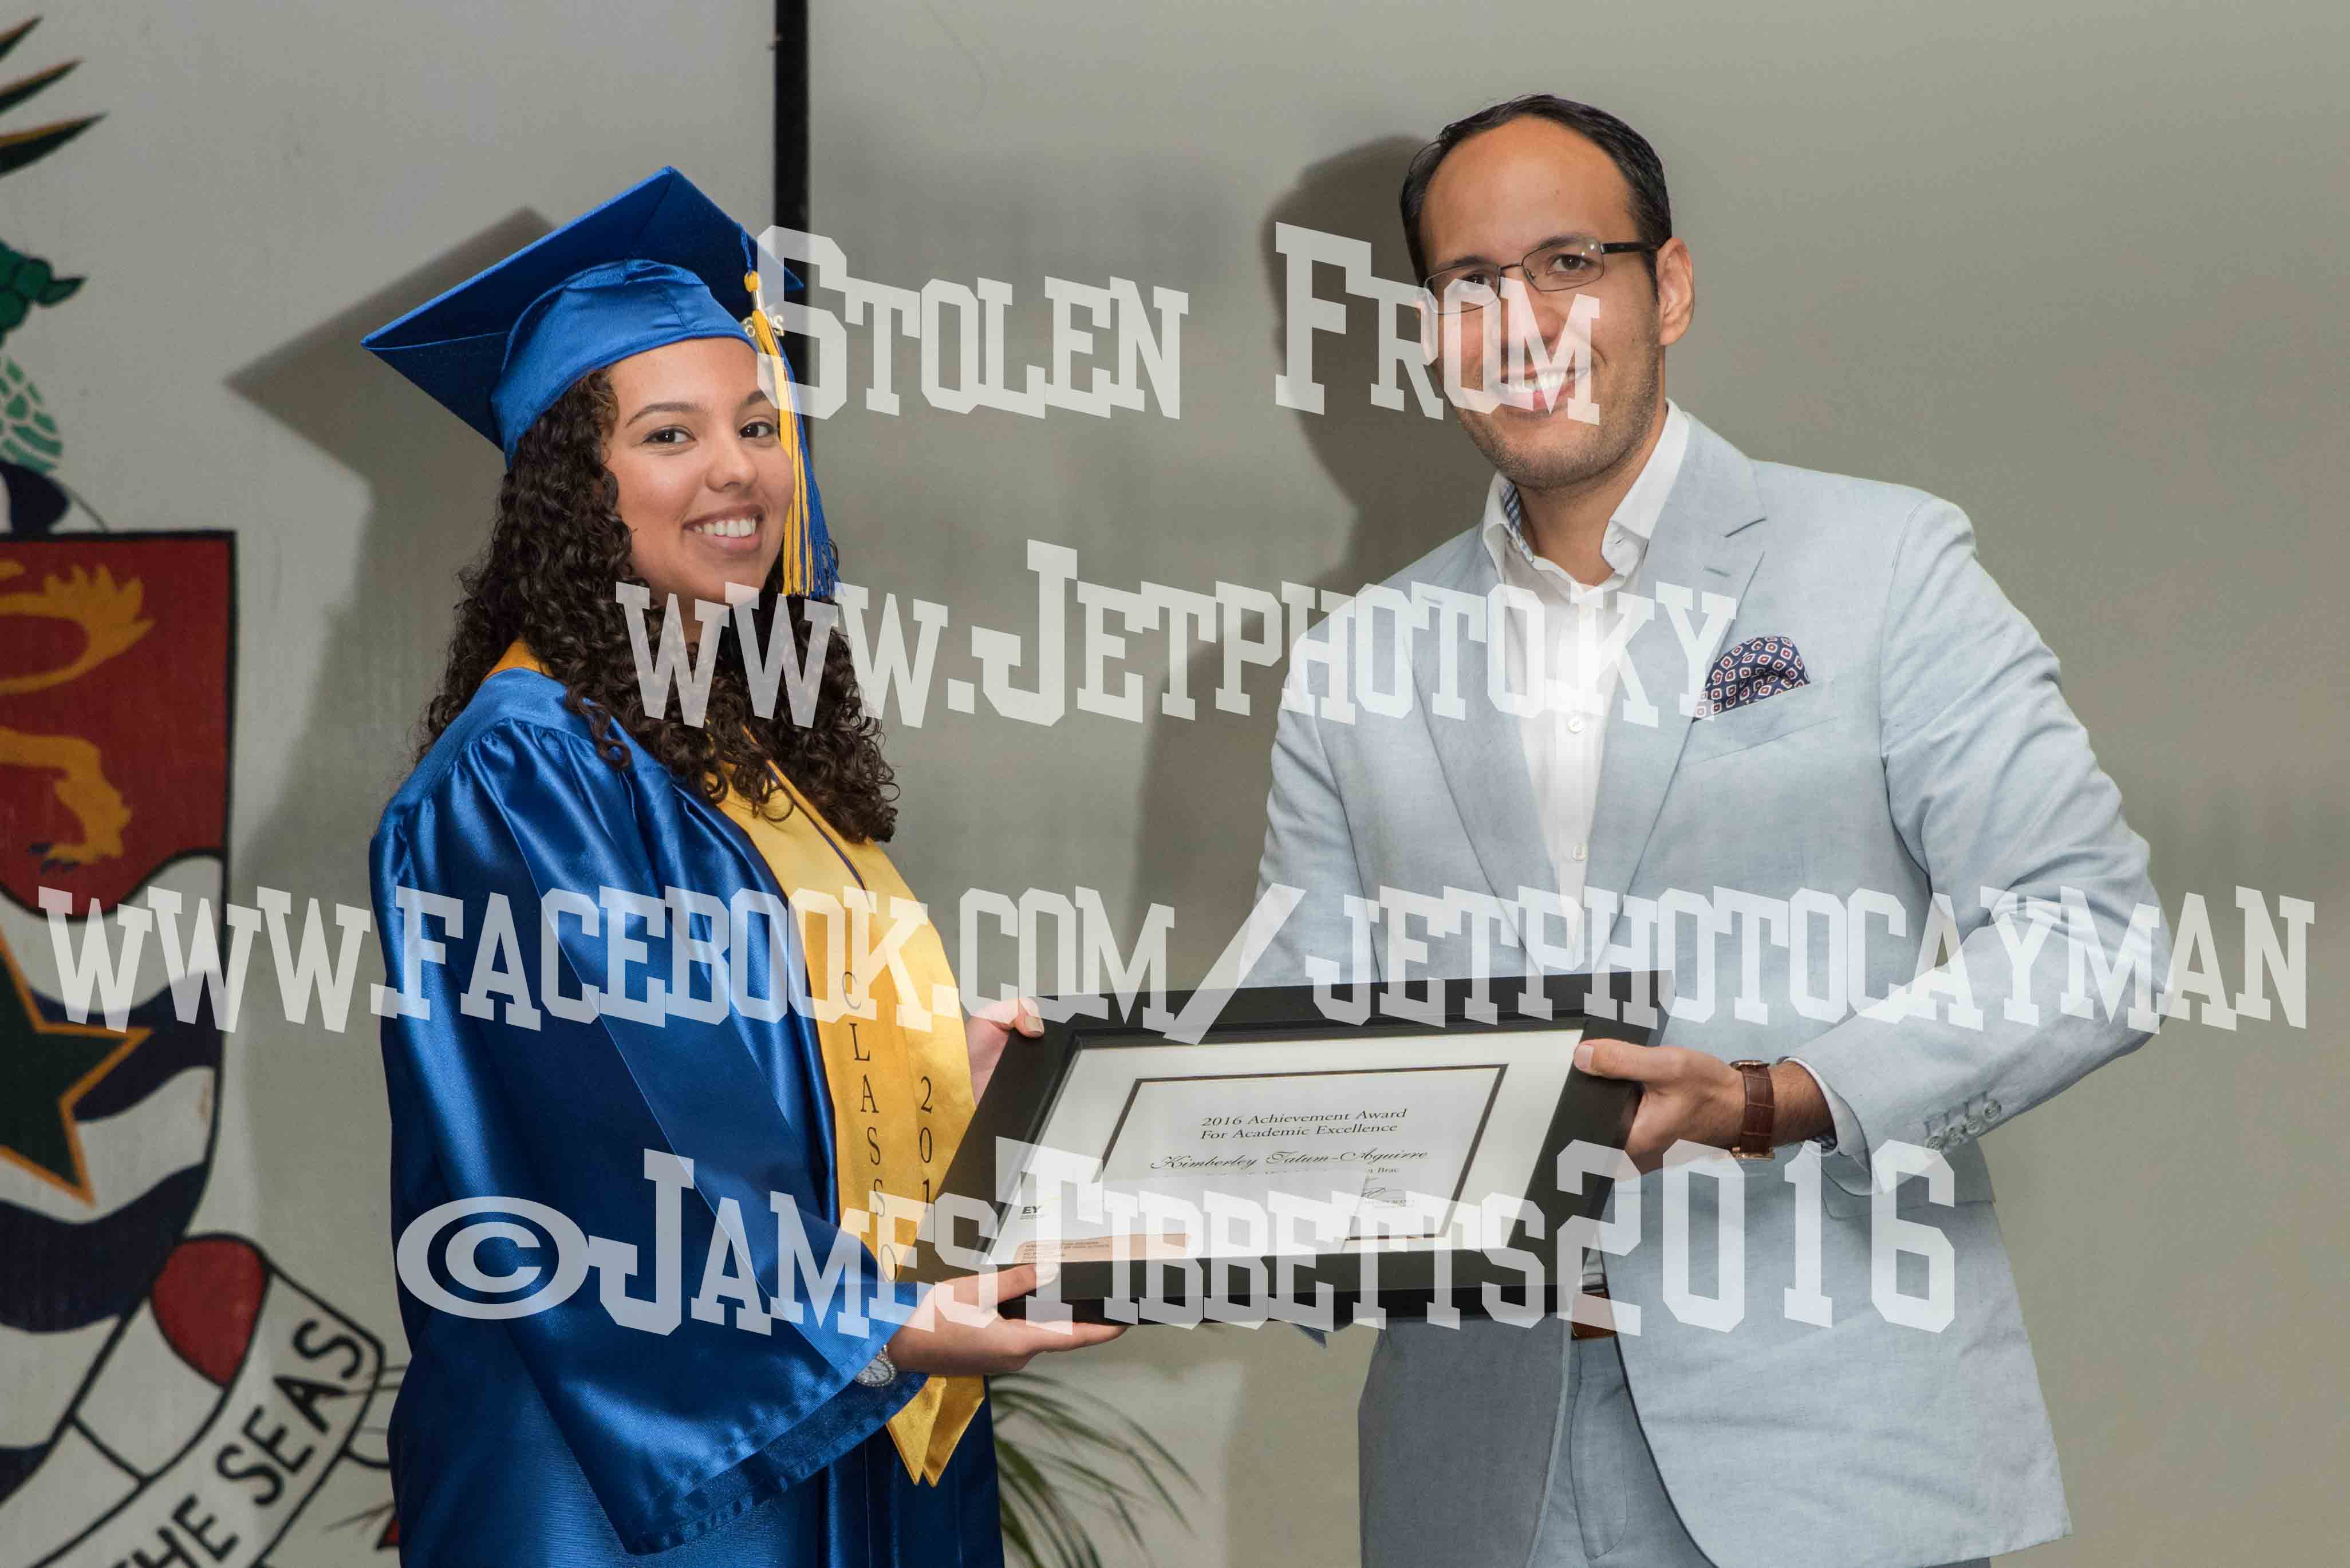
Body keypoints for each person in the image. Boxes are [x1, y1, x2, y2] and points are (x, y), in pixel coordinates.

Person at [1251, 98, 2168, 1568]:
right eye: (1472, 281)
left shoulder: (1885, 564)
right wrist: (1082, 1149)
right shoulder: (1355, 659)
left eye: (1570, 262)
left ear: (1667, 287)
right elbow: (1298, 1043)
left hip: (1831, 1444)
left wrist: (1770, 1095)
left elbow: (2091, 940)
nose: (1522, 321)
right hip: (1476, 1467)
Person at [362, 167, 1121, 1566]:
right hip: (636, 1464)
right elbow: (623, 1121)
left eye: (760, 425)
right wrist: (876, 1321)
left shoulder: (742, 754)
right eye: (671, 433)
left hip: (835, 1400)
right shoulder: (526, 765)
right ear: (572, 492)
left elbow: (753, 1058)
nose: (740, 468)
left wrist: (937, 1069)